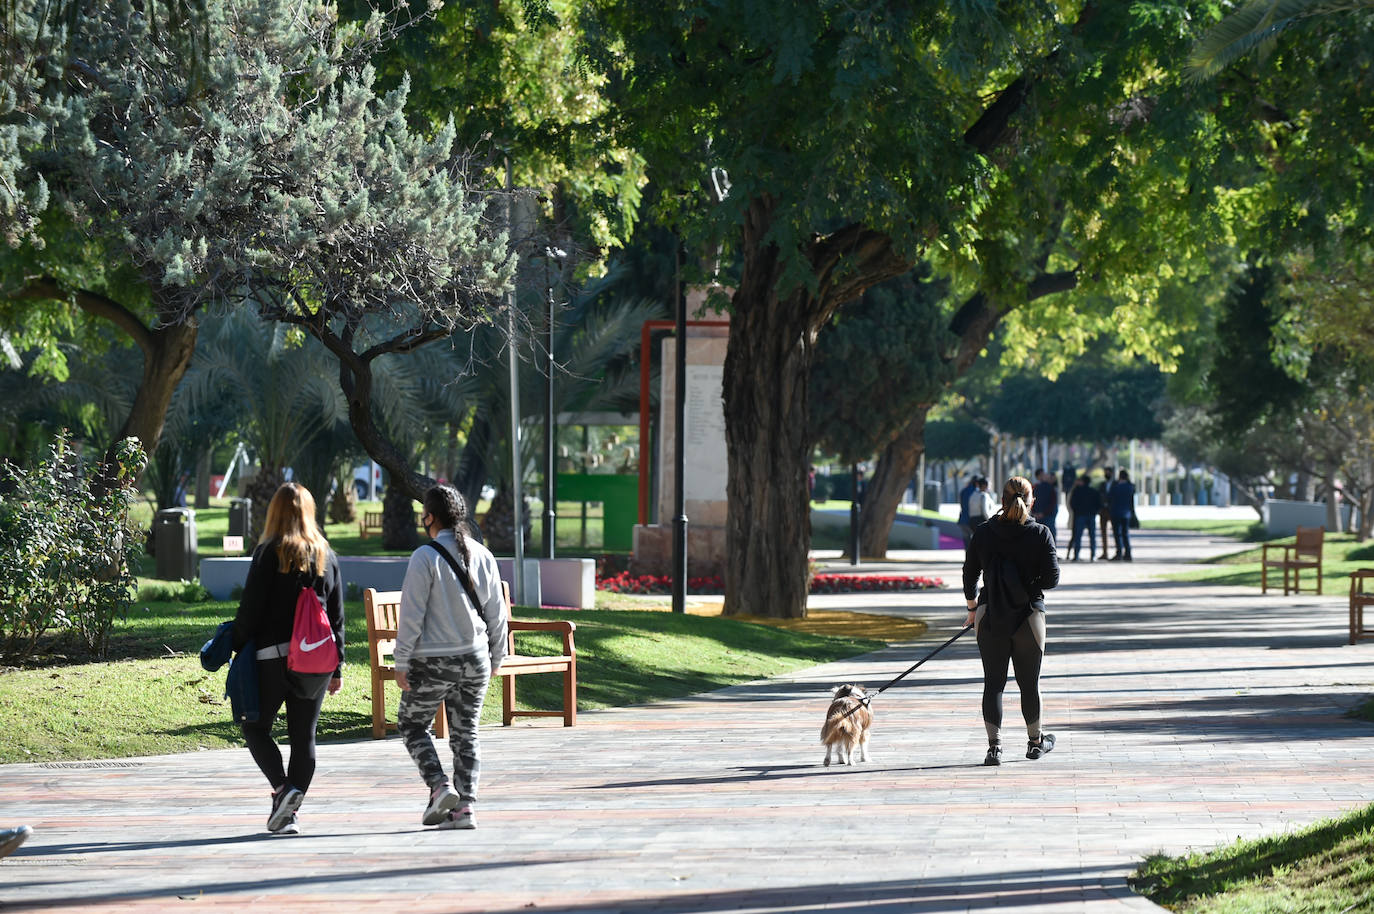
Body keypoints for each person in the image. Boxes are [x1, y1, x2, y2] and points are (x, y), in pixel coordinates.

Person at [232, 482, 344, 836]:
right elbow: (337, 616)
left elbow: (251, 609)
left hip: (271, 657)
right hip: (316, 662)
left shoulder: (269, 552)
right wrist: (337, 666)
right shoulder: (326, 554)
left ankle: (283, 791)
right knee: (303, 737)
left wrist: (234, 645)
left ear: (275, 512)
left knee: (255, 726)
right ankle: (288, 812)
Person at [395, 485, 508, 830]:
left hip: (433, 662)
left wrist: (401, 662)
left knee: (412, 724)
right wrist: (498, 657)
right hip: (475, 659)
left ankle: (439, 785)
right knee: (466, 732)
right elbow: (496, 614)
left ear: (429, 517)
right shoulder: (482, 554)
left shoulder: (424, 557)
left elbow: (411, 615)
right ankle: (465, 808)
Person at [962, 476, 1060, 767]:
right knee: (1029, 684)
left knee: (993, 684)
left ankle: (994, 748)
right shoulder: (1041, 533)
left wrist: (971, 608)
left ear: (1001, 500)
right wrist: (1026, 581)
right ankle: (1035, 742)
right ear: (1032, 501)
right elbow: (1052, 579)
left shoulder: (983, 532)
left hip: (990, 613)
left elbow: (969, 574)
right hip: (1029, 615)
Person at [1067, 474, 1103, 561]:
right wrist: (1095, 512)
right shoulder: (1094, 491)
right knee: (1092, 536)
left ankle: (1076, 555)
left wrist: (1077, 511)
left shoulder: (1077, 491)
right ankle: (1093, 555)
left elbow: (1072, 503)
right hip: (1091, 516)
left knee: (1078, 536)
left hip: (1080, 516)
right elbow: (1099, 504)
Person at [1110, 469, 1137, 561]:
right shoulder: (1131, 487)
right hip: (1126, 513)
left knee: (1117, 534)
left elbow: (1110, 498)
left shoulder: (1116, 487)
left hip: (1116, 512)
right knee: (1125, 533)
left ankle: (1119, 553)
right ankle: (1128, 553)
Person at [1031, 469, 1059, 545]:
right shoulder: (1035, 487)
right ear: (1038, 476)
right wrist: (1034, 513)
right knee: (1038, 537)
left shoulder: (1051, 487)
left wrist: (1043, 513)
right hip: (1038, 516)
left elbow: (1052, 503)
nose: (1046, 476)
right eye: (1043, 474)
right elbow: (1032, 501)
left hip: (1048, 516)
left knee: (1050, 536)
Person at [1097, 467, 1114, 561]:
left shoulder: (1115, 484)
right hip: (1103, 510)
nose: (1106, 474)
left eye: (1108, 472)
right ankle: (1105, 552)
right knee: (1103, 532)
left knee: (1116, 532)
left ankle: (1118, 552)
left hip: (1112, 510)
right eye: (1105, 472)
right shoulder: (1102, 484)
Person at [957, 475, 979, 546]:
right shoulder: (976, 492)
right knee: (974, 544)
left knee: (967, 543)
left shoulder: (963, 491)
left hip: (962, 520)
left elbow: (961, 504)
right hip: (972, 521)